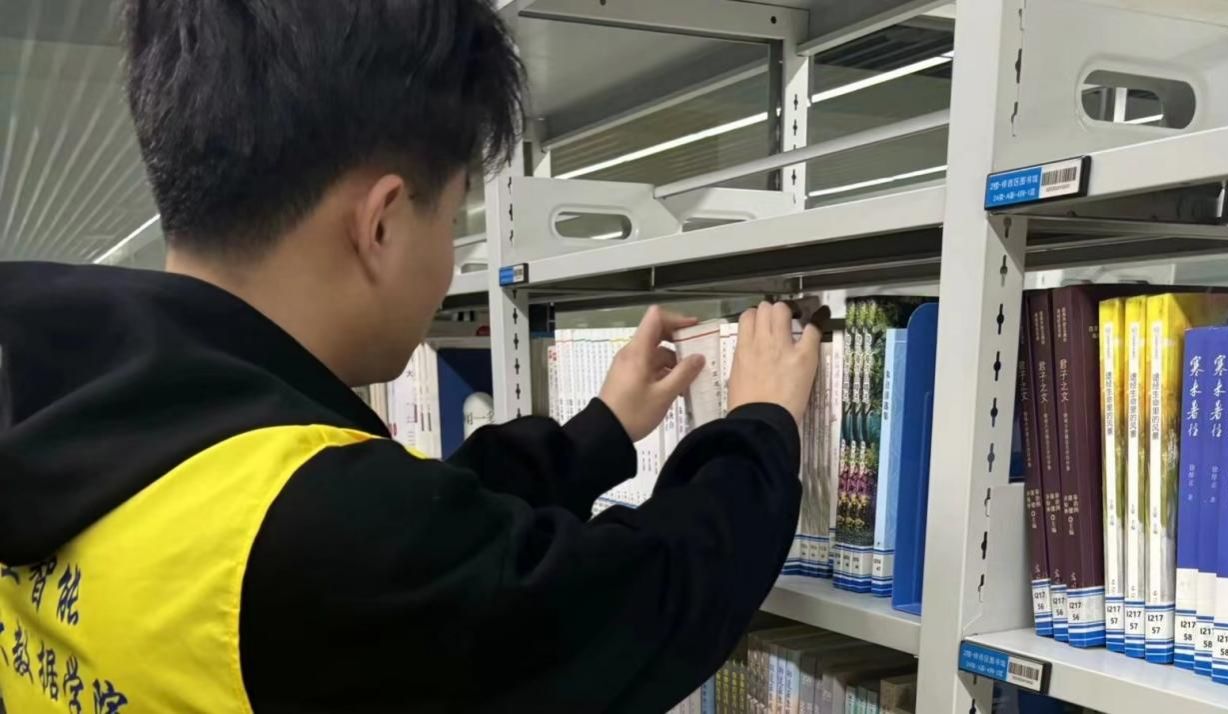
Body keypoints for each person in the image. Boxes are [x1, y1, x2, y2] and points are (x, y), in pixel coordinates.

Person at [0, 1, 822, 711]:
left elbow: (431, 542)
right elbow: (641, 600)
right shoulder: (319, 533)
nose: (451, 257)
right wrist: (758, 425)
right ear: (383, 222)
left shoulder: (68, 409)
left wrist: (602, 429)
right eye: (454, 219)